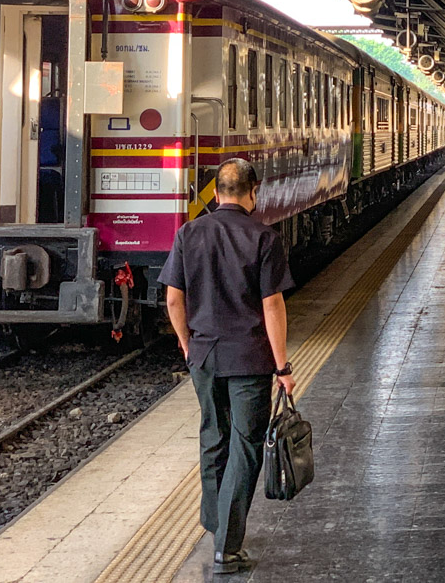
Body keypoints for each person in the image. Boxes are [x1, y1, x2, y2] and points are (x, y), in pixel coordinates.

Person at [161, 158, 296, 576]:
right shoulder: (264, 238)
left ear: (216, 193)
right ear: (253, 192)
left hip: (203, 355)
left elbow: (172, 299)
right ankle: (227, 546)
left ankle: (216, 524)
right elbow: (272, 305)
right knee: (246, 444)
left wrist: (187, 343)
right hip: (248, 359)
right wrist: (283, 367)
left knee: (213, 436)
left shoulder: (188, 233)